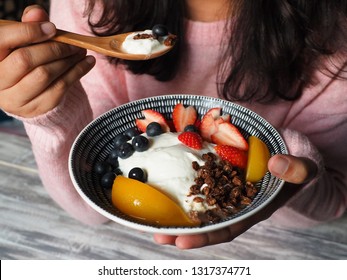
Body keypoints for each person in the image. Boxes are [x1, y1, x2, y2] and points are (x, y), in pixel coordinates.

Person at [0, 0, 346, 250]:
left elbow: (332, 205)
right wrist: (52, 116)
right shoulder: (90, 7)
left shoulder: (334, 36)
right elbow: (92, 204)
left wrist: (289, 164)